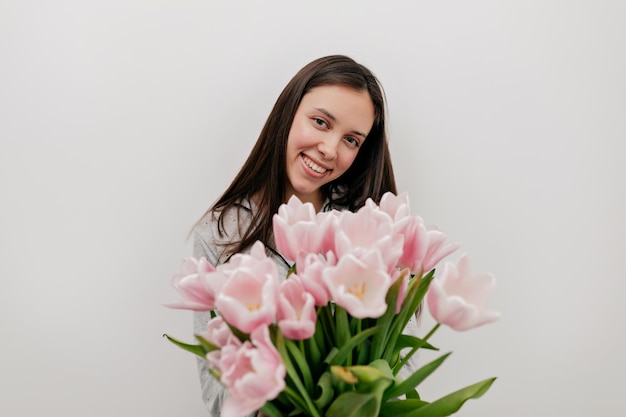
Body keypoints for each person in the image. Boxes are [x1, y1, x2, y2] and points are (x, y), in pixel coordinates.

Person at [191, 55, 414, 416]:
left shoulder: (366, 229)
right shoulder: (219, 234)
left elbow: (397, 368)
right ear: (288, 112)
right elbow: (217, 389)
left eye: (352, 140)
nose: (330, 149)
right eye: (321, 122)